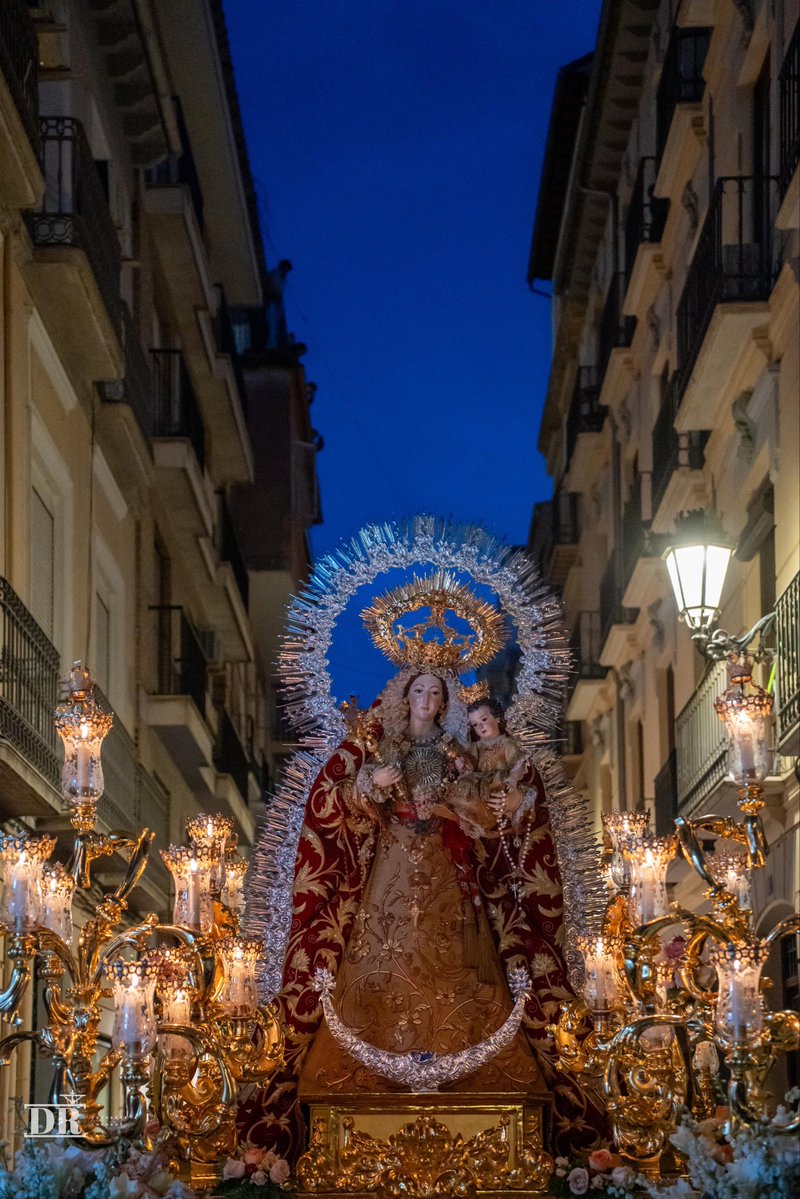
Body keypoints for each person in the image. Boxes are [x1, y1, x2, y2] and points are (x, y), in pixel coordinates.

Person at [239, 668, 606, 1160]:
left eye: (436, 693)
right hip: (390, 865)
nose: (426, 700)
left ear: (446, 702)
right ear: (403, 697)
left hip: (447, 864)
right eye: (419, 691)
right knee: (382, 952)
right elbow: (343, 800)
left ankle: (472, 1071)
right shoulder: (384, 746)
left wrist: (492, 799)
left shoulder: (459, 751)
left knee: (456, 956)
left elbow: (489, 797)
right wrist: (371, 782)